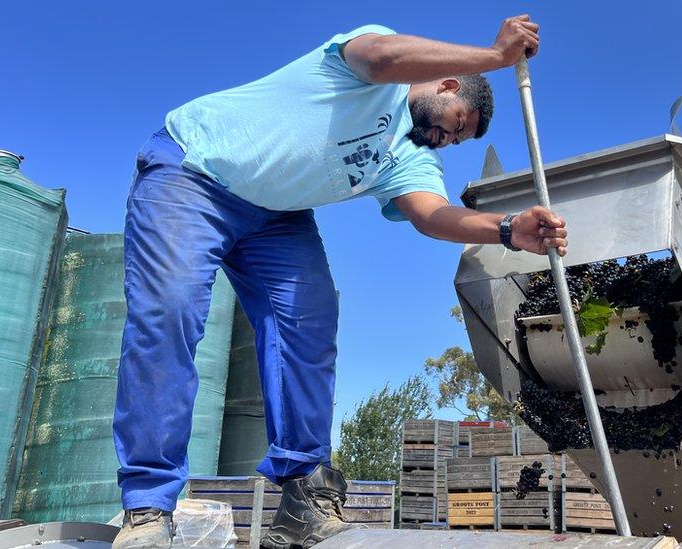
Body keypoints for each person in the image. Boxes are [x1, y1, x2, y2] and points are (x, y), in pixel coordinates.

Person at [111, 15, 565, 549]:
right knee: (171, 310)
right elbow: (381, 58)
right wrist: (494, 57)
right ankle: (148, 505)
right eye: (454, 125)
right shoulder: (373, 67)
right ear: (446, 83)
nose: (444, 140)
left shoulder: (409, 156)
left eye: (454, 140)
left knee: (309, 320)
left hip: (277, 216)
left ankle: (304, 498)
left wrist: (508, 230)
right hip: (195, 171)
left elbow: (431, 215)